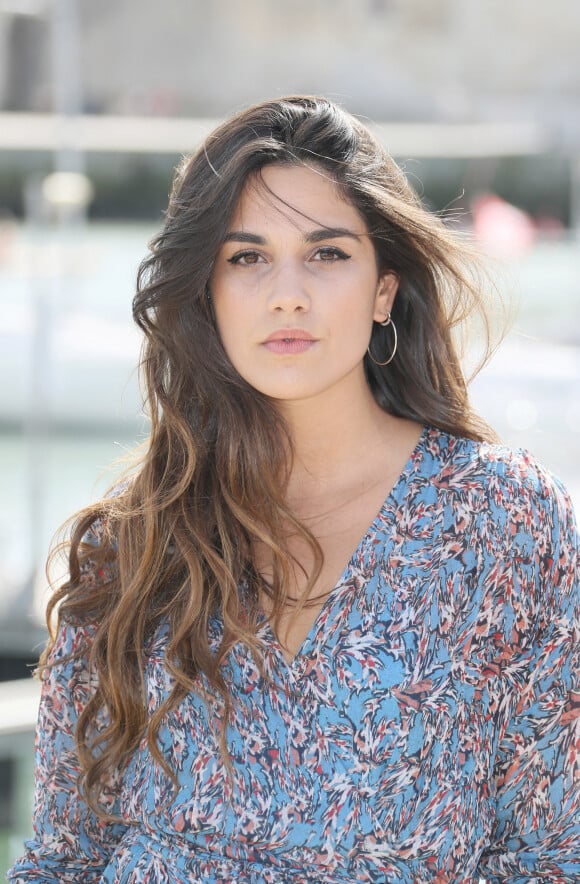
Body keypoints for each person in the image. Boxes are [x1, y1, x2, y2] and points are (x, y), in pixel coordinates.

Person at [8, 96, 580, 883]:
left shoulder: (503, 524)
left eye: (327, 254)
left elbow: (557, 855)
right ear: (205, 290)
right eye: (247, 257)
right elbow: (65, 858)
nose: (288, 294)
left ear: (385, 289)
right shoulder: (128, 550)